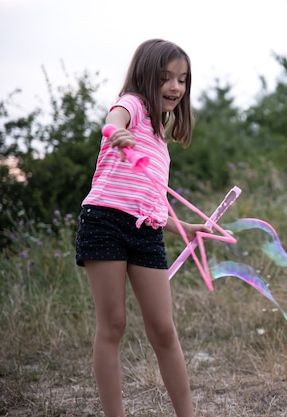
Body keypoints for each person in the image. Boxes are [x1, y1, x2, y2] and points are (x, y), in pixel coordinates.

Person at [75, 39, 206, 417]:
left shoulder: (161, 140)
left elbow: (149, 206)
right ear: (146, 76)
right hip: (105, 222)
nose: (175, 87)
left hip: (145, 231)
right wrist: (116, 132)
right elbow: (113, 117)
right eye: (166, 78)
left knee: (163, 330)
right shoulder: (132, 105)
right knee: (113, 325)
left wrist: (185, 226)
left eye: (182, 80)